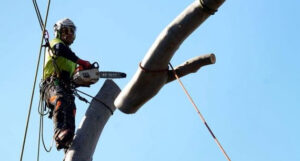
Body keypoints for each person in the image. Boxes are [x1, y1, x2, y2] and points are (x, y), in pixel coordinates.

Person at [42, 18, 91, 150]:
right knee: (60, 100)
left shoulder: (71, 60)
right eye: (65, 31)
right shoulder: (55, 43)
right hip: (52, 86)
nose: (69, 34)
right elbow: (60, 50)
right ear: (58, 32)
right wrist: (82, 62)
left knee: (71, 108)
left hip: (65, 87)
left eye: (71, 31)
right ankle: (59, 133)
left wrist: (83, 75)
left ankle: (67, 139)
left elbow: (74, 77)